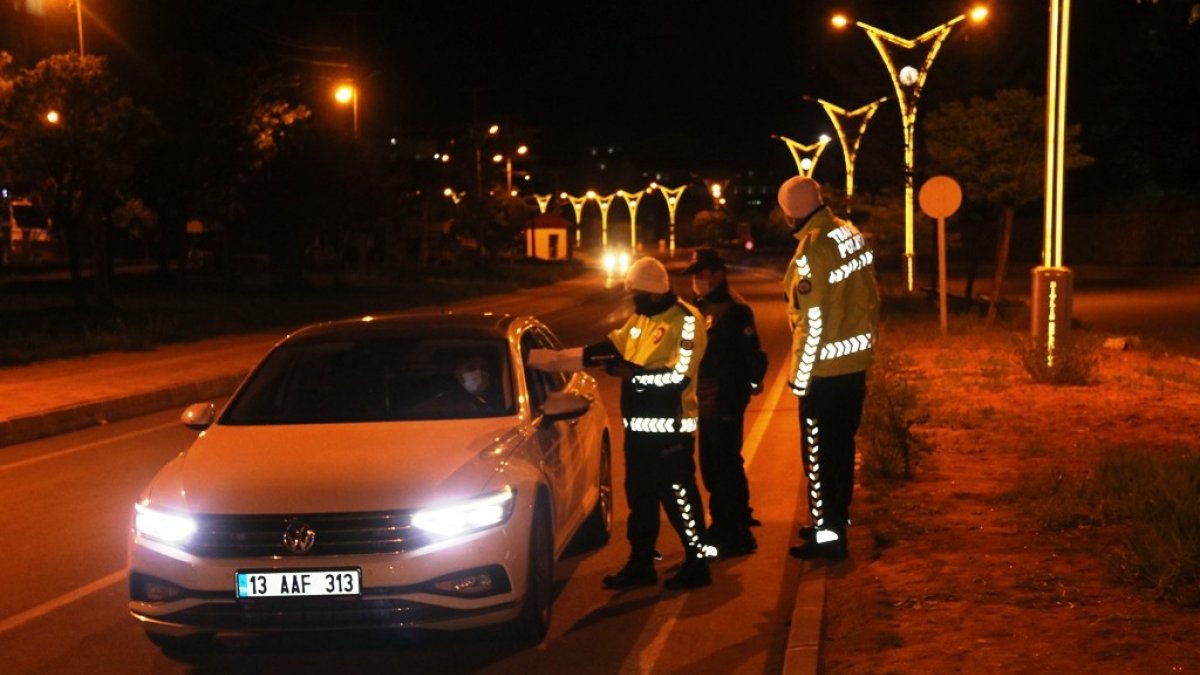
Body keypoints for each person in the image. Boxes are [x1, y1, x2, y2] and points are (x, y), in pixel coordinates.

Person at [527, 257, 713, 589]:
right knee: (640, 499)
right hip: (639, 430)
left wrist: (635, 376)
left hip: (670, 429)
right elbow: (609, 346)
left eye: (638, 294)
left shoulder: (687, 322)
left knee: (678, 497)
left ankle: (697, 561)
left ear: (656, 294)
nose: (634, 300)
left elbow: (679, 378)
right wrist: (549, 361)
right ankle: (641, 563)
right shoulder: (641, 319)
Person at [777, 176, 879, 561]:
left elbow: (811, 323)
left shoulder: (812, 252)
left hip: (824, 374)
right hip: (854, 365)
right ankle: (834, 523)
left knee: (819, 458)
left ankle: (828, 537)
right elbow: (871, 295)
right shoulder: (849, 233)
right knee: (840, 452)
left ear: (790, 212)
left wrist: (799, 379)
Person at [684, 247, 768, 557]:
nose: (698, 279)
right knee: (712, 463)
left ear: (718, 273)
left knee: (724, 463)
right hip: (704, 397)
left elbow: (751, 354)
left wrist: (752, 381)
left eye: (703, 273)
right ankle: (729, 521)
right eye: (694, 274)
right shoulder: (699, 307)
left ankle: (734, 531)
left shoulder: (734, 310)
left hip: (725, 396)